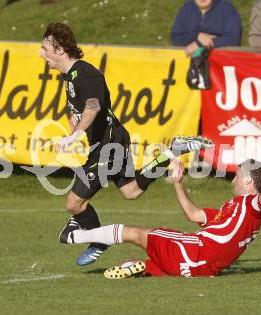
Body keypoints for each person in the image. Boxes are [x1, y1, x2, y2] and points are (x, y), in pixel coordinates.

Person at [39, 22, 214, 266]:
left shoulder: (84, 73)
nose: (41, 54)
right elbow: (81, 111)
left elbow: (93, 105)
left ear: (59, 49)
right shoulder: (70, 77)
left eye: (45, 48)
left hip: (108, 144)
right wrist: (76, 124)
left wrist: (74, 135)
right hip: (110, 140)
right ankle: (171, 152)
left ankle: (98, 240)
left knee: (74, 202)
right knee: (131, 191)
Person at [60, 146, 261, 278]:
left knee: (136, 233)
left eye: (236, 175)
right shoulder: (230, 208)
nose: (232, 179)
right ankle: (138, 266)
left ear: (247, 182)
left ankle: (75, 236)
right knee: (153, 260)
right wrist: (179, 183)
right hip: (200, 266)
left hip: (196, 251)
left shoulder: (252, 204)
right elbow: (193, 215)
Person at [171, 0, 242, 55]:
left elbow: (234, 39)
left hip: (220, 61)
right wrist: (197, 35)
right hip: (190, 60)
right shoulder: (187, 8)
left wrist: (204, 43)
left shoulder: (226, 8)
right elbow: (175, 37)